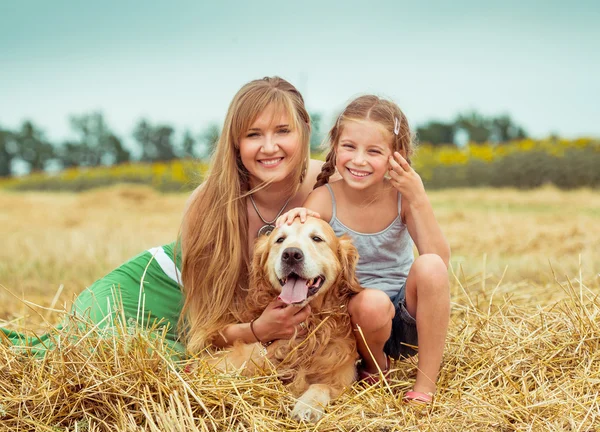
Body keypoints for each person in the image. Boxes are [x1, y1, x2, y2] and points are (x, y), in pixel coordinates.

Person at [2, 76, 321, 358]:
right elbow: (206, 331)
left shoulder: (327, 186)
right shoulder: (208, 203)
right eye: (253, 134)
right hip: (152, 292)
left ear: (304, 129)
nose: (269, 147)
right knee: (94, 355)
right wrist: (257, 329)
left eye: (282, 131)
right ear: (236, 143)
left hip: (219, 320)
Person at [277, 95, 451, 403]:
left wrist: (418, 197)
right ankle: (375, 367)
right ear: (334, 146)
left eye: (373, 151)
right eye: (349, 147)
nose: (359, 160)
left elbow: (440, 261)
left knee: (431, 266)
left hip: (405, 317)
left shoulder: (402, 198)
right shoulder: (324, 199)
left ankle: (425, 386)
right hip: (353, 321)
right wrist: (293, 221)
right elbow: (305, 242)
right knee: (371, 303)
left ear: (395, 156)